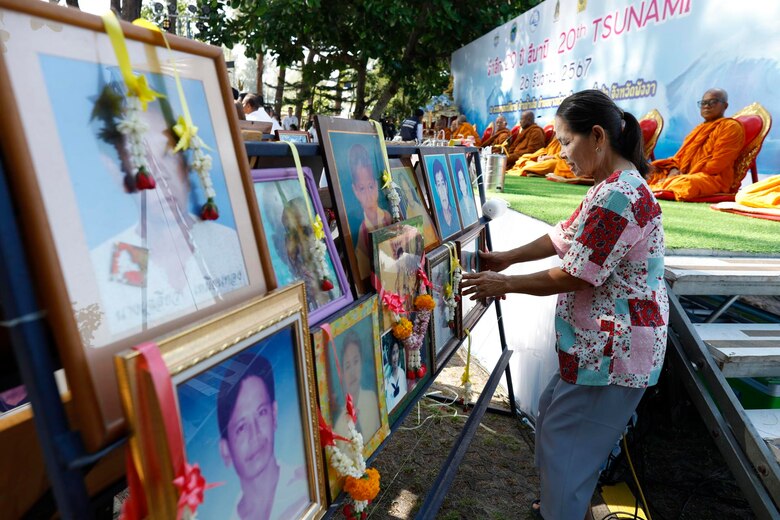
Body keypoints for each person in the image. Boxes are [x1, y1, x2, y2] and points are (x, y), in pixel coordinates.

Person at [461, 89, 667, 520]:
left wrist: (504, 282)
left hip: (615, 352)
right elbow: (563, 236)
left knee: (567, 444)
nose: (562, 153)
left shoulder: (620, 194)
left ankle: (559, 510)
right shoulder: (608, 187)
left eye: (566, 142)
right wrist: (507, 258)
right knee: (553, 416)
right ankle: (559, 503)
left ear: (597, 136)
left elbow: (578, 273)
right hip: (599, 347)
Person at [89, 89, 248, 341]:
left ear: (185, 163)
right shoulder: (101, 269)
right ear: (117, 171)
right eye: (141, 158)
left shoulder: (230, 245)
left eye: (168, 153)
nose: (161, 174)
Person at [217, 352, 309, 520]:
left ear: (274, 414)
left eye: (261, 413)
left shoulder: (308, 487)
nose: (255, 435)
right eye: (241, 427)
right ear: (225, 450)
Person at [647, 88, 745, 200]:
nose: (707, 106)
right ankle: (664, 185)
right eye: (703, 103)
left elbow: (718, 164)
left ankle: (662, 186)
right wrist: (674, 170)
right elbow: (680, 158)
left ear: (725, 106)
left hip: (713, 178)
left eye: (713, 102)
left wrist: (684, 175)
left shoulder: (731, 127)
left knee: (687, 183)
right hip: (684, 174)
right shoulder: (699, 129)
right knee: (647, 173)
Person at [349, 143, 393, 282]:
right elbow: (363, 271)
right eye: (362, 189)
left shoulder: (387, 216)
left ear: (376, 184)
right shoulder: (361, 230)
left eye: (370, 186)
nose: (368, 195)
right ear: (355, 191)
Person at [333, 330, 382, 440]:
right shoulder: (339, 427)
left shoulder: (372, 398)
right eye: (347, 366)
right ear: (342, 374)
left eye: (356, 362)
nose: (352, 372)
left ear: (361, 363)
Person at [505, 136, 574, 179]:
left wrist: (549, 157)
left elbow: (566, 153)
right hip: (547, 158)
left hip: (561, 160)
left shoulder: (536, 131)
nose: (521, 122)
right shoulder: (557, 135)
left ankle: (529, 170)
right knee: (524, 157)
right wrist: (541, 156)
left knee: (551, 164)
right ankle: (533, 170)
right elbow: (547, 149)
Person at [431, 158, 460, 238]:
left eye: (443, 184)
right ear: (436, 189)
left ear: (446, 186)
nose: (442, 190)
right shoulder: (436, 218)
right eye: (439, 185)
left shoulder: (456, 213)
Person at [450, 155, 478, 225]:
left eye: (463, 179)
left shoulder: (471, 201)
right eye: (460, 181)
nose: (462, 185)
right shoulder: (458, 205)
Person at [384, 338, 407, 411]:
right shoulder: (386, 379)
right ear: (389, 355)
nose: (396, 357)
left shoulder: (402, 373)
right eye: (393, 353)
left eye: (397, 352)